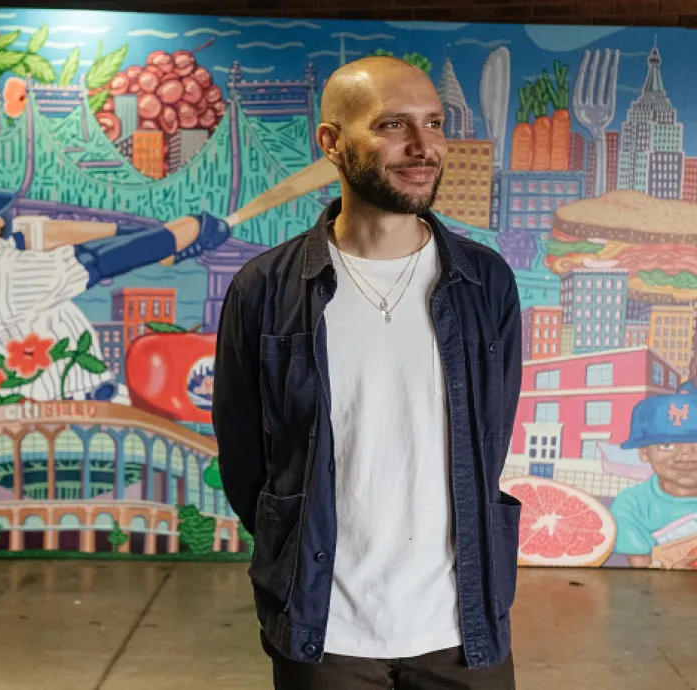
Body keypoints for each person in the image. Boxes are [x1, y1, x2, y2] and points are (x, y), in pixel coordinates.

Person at [213, 56, 522, 689]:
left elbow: (491, 437)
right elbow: (246, 465)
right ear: (331, 142)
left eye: (434, 123)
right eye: (391, 125)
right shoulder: (264, 291)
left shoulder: (485, 284)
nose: (422, 146)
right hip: (325, 630)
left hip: (463, 626)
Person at [0, 165, 229, 401]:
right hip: (72, 415)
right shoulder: (5, 277)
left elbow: (31, 233)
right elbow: (103, 259)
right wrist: (186, 232)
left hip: (3, 420)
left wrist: (151, 237)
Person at [611, 394, 697, 570]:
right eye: (667, 445)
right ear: (644, 452)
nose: (687, 456)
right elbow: (642, 577)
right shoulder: (631, 505)